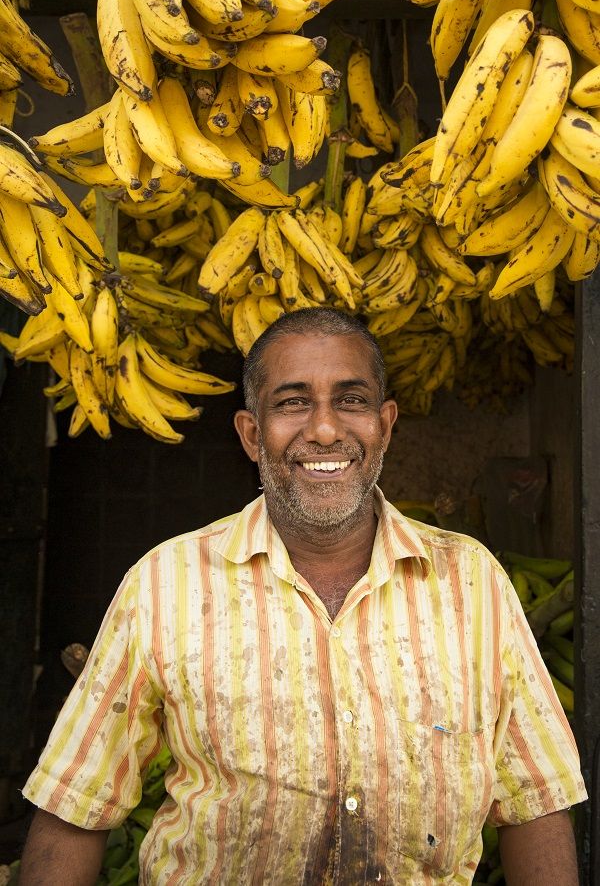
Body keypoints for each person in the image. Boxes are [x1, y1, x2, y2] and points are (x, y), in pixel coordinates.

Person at [19, 308, 587, 885]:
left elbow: (535, 803)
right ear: (250, 433)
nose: (323, 429)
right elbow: (74, 807)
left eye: (351, 400)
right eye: (292, 402)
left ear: (385, 426)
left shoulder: (473, 582)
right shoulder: (165, 583)